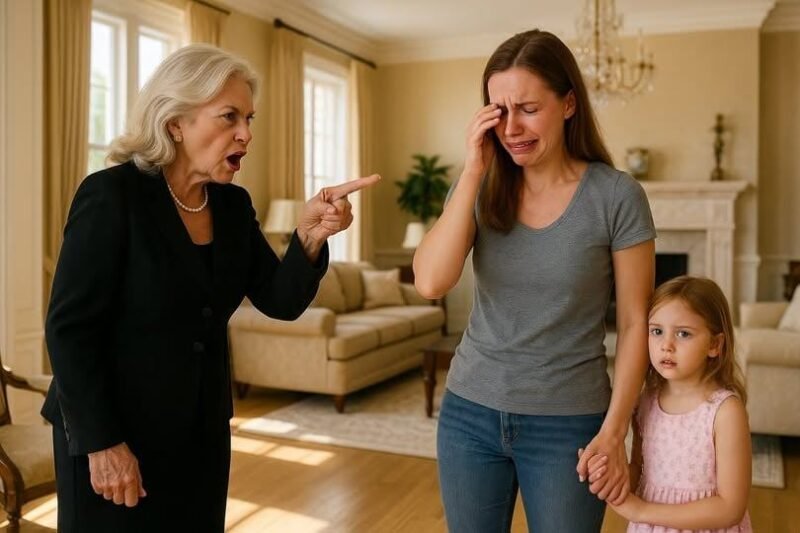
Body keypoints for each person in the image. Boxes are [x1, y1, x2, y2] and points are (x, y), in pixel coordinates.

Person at [41, 44, 379, 533]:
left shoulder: (233, 206)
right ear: (175, 122)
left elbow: (279, 300)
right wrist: (102, 442)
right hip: (113, 435)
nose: (246, 133)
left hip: (201, 432)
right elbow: (70, 329)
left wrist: (311, 235)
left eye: (249, 118)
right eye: (229, 117)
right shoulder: (112, 195)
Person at [413, 29, 656, 531]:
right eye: (498, 110)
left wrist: (613, 433)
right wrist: (473, 170)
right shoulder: (478, 186)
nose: (511, 127)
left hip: (570, 425)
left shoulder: (615, 196)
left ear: (568, 104)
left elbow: (636, 323)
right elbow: (431, 282)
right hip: (468, 414)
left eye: (528, 108)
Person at [602, 276, 752, 531]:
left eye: (683, 333)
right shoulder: (646, 401)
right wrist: (609, 476)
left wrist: (641, 510)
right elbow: (640, 469)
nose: (666, 345)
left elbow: (731, 508)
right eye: (656, 331)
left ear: (715, 345)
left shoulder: (725, 412)